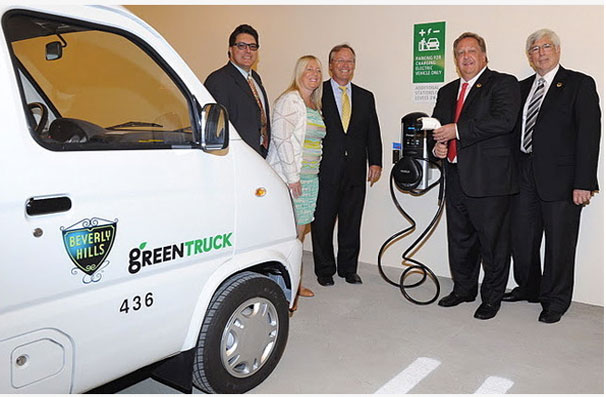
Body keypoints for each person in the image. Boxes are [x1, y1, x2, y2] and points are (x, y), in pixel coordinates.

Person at [503, 29, 601, 324]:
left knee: (559, 243)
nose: (540, 52)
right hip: (522, 176)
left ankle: (555, 300)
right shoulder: (519, 89)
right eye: (534, 48)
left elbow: (589, 134)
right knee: (521, 238)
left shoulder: (579, 84)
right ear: (528, 56)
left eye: (546, 46)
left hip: (562, 180)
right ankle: (529, 287)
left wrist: (584, 182)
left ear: (557, 50)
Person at [431, 32, 520, 320]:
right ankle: (463, 289)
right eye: (459, 52)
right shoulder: (446, 91)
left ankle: (492, 297)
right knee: (459, 238)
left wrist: (456, 131)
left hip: (490, 179)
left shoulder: (503, 83)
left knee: (493, 242)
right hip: (455, 175)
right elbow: (438, 129)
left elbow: (504, 121)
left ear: (484, 55)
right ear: (455, 60)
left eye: (471, 51)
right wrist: (439, 146)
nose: (465, 56)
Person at [311, 44, 382, 287]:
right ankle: (324, 270)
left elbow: (373, 131)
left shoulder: (365, 96)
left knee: (352, 221)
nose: (345, 65)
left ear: (354, 65)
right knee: (322, 221)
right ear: (330, 65)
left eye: (350, 61)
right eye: (340, 61)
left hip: (355, 169)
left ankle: (348, 269)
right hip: (325, 168)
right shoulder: (317, 93)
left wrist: (376, 161)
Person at [267, 55, 325, 309]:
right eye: (309, 68)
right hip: (293, 179)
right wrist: (292, 179)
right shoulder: (290, 100)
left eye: (318, 70)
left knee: (299, 236)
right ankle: (282, 288)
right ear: (299, 72)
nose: (314, 73)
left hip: (311, 178)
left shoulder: (313, 104)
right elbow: (282, 140)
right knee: (287, 236)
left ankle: (294, 282)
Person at [204, 24, 271, 158]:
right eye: (241, 46)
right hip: (234, 158)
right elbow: (215, 129)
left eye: (252, 46)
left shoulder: (255, 78)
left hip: (258, 155)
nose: (248, 51)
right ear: (230, 49)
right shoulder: (218, 80)